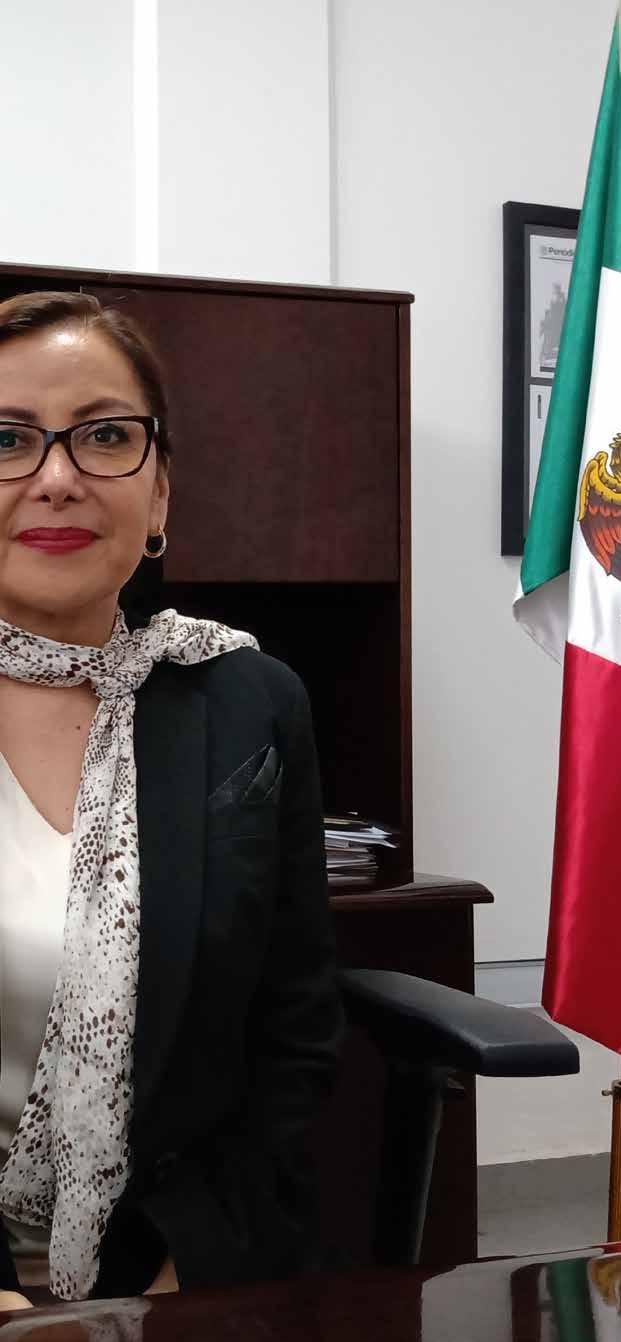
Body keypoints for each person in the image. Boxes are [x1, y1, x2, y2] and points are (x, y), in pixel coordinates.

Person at [0, 292, 343, 1309]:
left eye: (105, 435)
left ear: (158, 494)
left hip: (172, 1274)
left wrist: (183, 1278)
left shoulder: (246, 700)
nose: (57, 477)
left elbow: (292, 1033)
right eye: (7, 439)